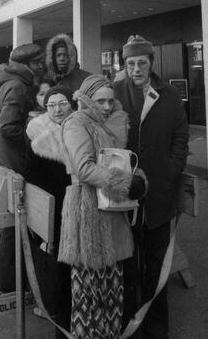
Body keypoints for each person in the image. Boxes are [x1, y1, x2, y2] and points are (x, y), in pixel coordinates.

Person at [58, 74, 147, 339]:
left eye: (110, 100)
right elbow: (84, 168)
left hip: (112, 211)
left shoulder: (114, 123)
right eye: (100, 101)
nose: (107, 107)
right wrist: (125, 183)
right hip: (87, 213)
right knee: (88, 295)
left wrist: (138, 179)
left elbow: (120, 162)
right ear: (86, 100)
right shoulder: (76, 123)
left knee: (112, 291)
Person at [114, 35, 189, 339]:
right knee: (128, 264)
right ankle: (131, 325)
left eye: (141, 63)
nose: (136, 68)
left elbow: (181, 138)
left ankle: (157, 330)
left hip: (159, 194)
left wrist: (171, 171)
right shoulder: (115, 93)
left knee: (157, 265)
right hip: (125, 196)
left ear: (151, 63)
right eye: (130, 63)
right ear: (125, 65)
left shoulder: (168, 94)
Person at [0, 43, 45, 292]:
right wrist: (33, 130)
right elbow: (7, 127)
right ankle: (9, 282)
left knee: (11, 223)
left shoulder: (11, 82)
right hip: (14, 162)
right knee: (13, 224)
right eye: (37, 62)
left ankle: (9, 280)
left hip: (7, 159)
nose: (41, 66)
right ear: (26, 65)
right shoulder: (17, 86)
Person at [26, 84, 76, 336]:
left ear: (71, 104)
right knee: (60, 261)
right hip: (55, 210)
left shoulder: (81, 129)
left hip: (79, 206)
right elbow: (33, 176)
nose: (57, 109)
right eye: (51, 105)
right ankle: (59, 309)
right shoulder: (37, 135)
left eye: (62, 103)